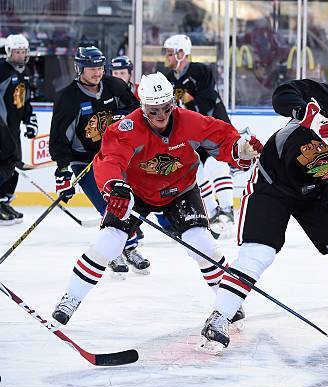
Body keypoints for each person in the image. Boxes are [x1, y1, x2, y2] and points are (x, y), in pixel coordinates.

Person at [200, 72, 328, 354]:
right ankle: (218, 317)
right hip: (273, 183)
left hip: (315, 195)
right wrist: (309, 116)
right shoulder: (327, 97)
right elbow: (282, 95)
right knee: (259, 253)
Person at [50, 72, 262, 327]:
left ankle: (229, 302)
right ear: (142, 107)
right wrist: (115, 187)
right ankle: (70, 298)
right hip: (136, 191)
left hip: (180, 189)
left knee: (202, 244)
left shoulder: (189, 122)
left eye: (166, 108)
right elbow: (110, 159)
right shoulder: (127, 128)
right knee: (110, 241)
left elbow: (221, 137)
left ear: (173, 103)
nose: (161, 116)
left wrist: (240, 149)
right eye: (153, 111)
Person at [49, 46, 149, 278]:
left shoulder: (114, 85)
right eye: (91, 68)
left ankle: (130, 247)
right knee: (108, 205)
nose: (96, 73)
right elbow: (58, 139)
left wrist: (124, 116)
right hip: (83, 160)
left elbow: (136, 109)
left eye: (100, 67)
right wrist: (63, 171)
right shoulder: (67, 98)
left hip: (114, 155)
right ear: (79, 69)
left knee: (128, 202)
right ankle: (114, 253)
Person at [163, 34, 236, 237]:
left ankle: (228, 209)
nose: (166, 57)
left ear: (181, 53)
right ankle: (212, 213)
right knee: (195, 172)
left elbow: (207, 101)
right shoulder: (168, 79)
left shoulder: (200, 71)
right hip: (190, 134)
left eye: (170, 53)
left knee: (216, 163)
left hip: (213, 127)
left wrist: (186, 104)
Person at [0, 33, 38, 225]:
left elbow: (24, 100)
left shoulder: (24, 72)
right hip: (1, 131)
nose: (20, 56)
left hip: (13, 132)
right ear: (8, 52)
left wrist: (30, 120)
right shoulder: (1, 70)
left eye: (23, 52)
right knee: (3, 167)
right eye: (16, 52)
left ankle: (5, 201)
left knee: (13, 167)